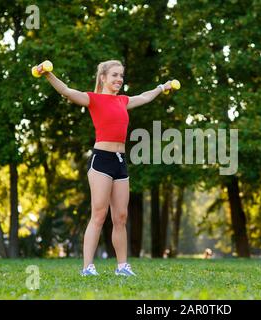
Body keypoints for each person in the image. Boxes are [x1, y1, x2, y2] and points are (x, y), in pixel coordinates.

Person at [42, 60, 173, 276]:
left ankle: (122, 267)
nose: (119, 79)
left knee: (120, 217)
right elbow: (66, 91)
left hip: (120, 160)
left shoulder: (123, 100)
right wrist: (48, 74)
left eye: (121, 75)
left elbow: (143, 97)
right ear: (103, 77)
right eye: (114, 75)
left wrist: (161, 88)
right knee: (99, 215)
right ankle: (87, 267)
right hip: (101, 160)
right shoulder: (93, 99)